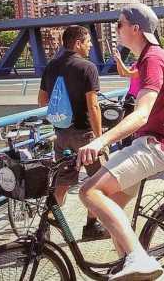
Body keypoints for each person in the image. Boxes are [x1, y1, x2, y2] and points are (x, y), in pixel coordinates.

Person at [77, 4, 164, 280]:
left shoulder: (152, 59)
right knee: (111, 211)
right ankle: (131, 264)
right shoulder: (149, 57)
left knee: (88, 192)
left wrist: (99, 141)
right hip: (151, 142)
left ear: (135, 28)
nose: (116, 28)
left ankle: (139, 258)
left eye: (119, 24)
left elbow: (141, 114)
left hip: (155, 145)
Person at [38, 25, 106, 241]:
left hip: (62, 135)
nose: (90, 46)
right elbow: (93, 106)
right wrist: (100, 138)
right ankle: (91, 227)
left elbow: (42, 102)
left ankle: (45, 230)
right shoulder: (87, 67)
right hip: (85, 135)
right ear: (77, 43)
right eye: (87, 42)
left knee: (63, 184)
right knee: (99, 181)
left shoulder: (51, 67)